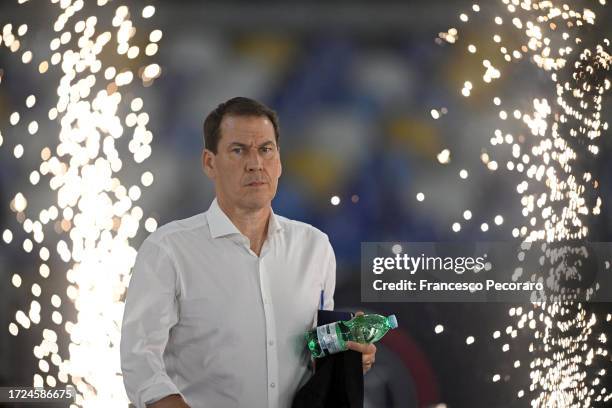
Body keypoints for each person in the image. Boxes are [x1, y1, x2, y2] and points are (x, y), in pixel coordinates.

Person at [120, 97, 376, 408]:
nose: (255, 163)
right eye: (238, 150)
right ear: (209, 163)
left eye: (265, 149)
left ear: (279, 161)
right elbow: (139, 361)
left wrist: (348, 353)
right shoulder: (169, 250)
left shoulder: (315, 247)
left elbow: (312, 351)